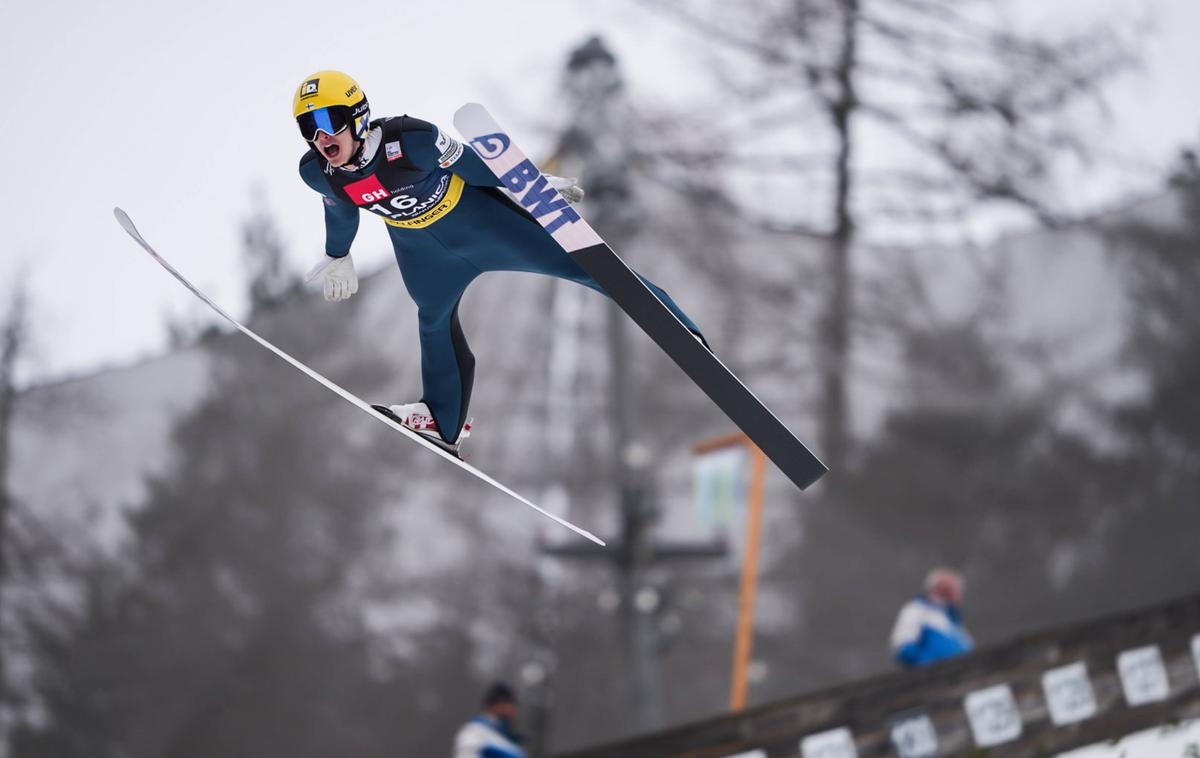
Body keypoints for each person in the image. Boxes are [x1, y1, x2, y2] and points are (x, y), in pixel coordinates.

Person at [293, 70, 704, 455]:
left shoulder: (411, 138)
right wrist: (338, 252)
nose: (322, 135)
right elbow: (342, 208)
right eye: (309, 127)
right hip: (423, 252)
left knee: (587, 266)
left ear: (359, 115)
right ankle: (442, 421)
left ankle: (679, 326)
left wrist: (527, 183)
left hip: (482, 225)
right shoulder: (318, 173)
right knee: (433, 321)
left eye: (330, 120)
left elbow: (472, 163)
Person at [889, 567, 974, 668]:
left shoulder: (956, 625)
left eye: (955, 592)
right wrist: (927, 662)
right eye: (946, 590)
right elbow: (901, 646)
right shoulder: (917, 610)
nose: (952, 596)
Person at [452, 682, 527, 758]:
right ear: (499, 703)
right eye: (511, 703)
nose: (514, 710)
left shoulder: (507, 738)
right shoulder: (474, 733)